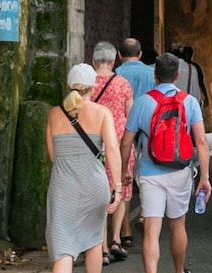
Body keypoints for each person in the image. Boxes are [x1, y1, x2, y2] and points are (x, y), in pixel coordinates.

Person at [120, 54, 212, 273]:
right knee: (178, 225)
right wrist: (205, 177)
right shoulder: (189, 101)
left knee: (152, 229)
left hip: (151, 174)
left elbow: (126, 143)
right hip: (180, 171)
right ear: (177, 76)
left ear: (155, 75)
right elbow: (201, 141)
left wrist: (125, 170)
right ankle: (179, 271)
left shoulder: (142, 102)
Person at [46, 64, 124, 273]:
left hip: (63, 189)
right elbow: (113, 151)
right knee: (93, 241)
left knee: (63, 250)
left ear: (68, 85)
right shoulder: (102, 113)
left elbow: (54, 156)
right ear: (93, 86)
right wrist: (117, 187)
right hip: (94, 187)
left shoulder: (54, 114)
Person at [89, 42, 137, 264]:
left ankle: (102, 249)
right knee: (121, 190)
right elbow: (131, 118)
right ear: (113, 61)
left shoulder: (86, 84)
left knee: (98, 194)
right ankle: (116, 239)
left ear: (93, 62)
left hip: (93, 144)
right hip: (118, 144)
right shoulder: (122, 84)